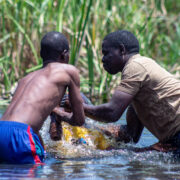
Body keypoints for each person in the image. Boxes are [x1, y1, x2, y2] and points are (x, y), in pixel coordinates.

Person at [69, 30, 180, 153]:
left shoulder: (135, 67)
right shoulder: (138, 87)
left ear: (122, 50)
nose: (103, 59)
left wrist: (76, 106)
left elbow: (112, 113)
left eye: (106, 53)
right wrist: (93, 130)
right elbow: (131, 135)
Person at [0, 31, 85, 164]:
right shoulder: (69, 71)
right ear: (64, 54)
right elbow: (79, 120)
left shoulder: (25, 79)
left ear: (41, 55)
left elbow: (28, 125)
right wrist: (58, 112)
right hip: (21, 135)